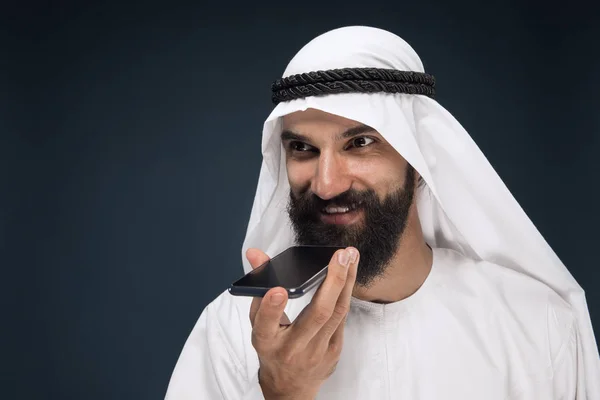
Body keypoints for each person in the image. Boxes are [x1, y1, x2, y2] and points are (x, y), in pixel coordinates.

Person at [164, 26, 600, 399]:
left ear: (420, 159)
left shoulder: (536, 325)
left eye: (360, 143)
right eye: (303, 148)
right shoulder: (232, 330)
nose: (327, 182)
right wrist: (281, 391)